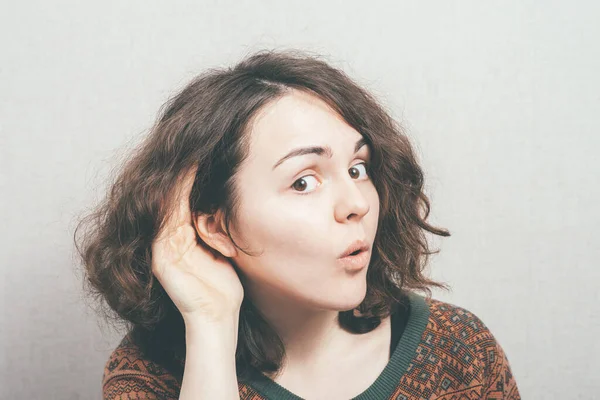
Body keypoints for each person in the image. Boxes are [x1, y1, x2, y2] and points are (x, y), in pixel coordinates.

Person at [74, 49, 521, 399]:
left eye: (357, 168)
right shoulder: (150, 375)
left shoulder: (458, 349)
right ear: (217, 227)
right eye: (304, 181)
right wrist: (210, 326)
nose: (356, 204)